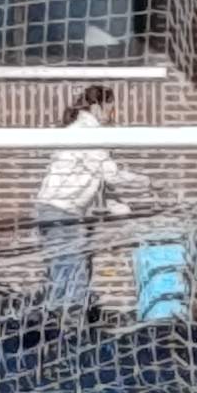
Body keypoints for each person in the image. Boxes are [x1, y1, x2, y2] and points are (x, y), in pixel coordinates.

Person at [31, 85, 145, 314]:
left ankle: (57, 322)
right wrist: (145, 182)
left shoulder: (79, 129)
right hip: (62, 213)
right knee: (72, 275)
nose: (112, 113)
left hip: (55, 210)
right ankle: (68, 325)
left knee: (62, 273)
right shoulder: (87, 132)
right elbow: (109, 174)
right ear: (96, 107)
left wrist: (119, 207)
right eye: (110, 107)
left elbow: (95, 180)